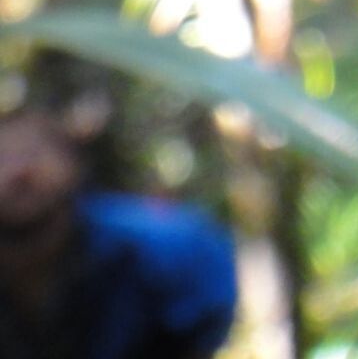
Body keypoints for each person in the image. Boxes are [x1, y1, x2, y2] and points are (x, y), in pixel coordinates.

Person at [0, 109, 237, 359]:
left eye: (33, 154)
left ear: (72, 164)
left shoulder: (158, 247)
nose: (20, 172)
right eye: (3, 158)